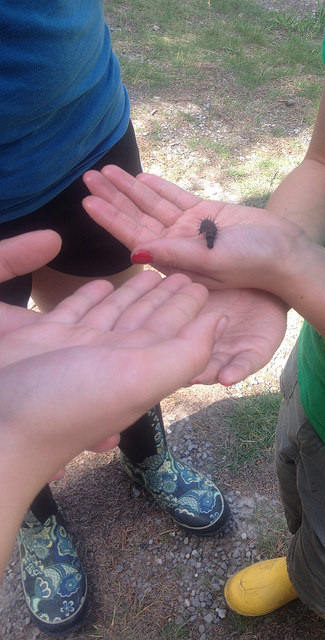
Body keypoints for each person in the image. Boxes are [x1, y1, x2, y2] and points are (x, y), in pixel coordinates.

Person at [82, 1, 325, 638]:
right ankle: (309, 569)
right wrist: (271, 274)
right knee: (305, 498)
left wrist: (292, 268)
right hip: (324, 375)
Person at [0, 3, 233, 636]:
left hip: (87, 136)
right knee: (10, 385)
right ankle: (31, 511)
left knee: (125, 333)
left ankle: (146, 456)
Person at [0, 230, 226, 581]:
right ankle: (31, 519)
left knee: (124, 336)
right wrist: (12, 459)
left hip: (65, 179)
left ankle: (148, 460)